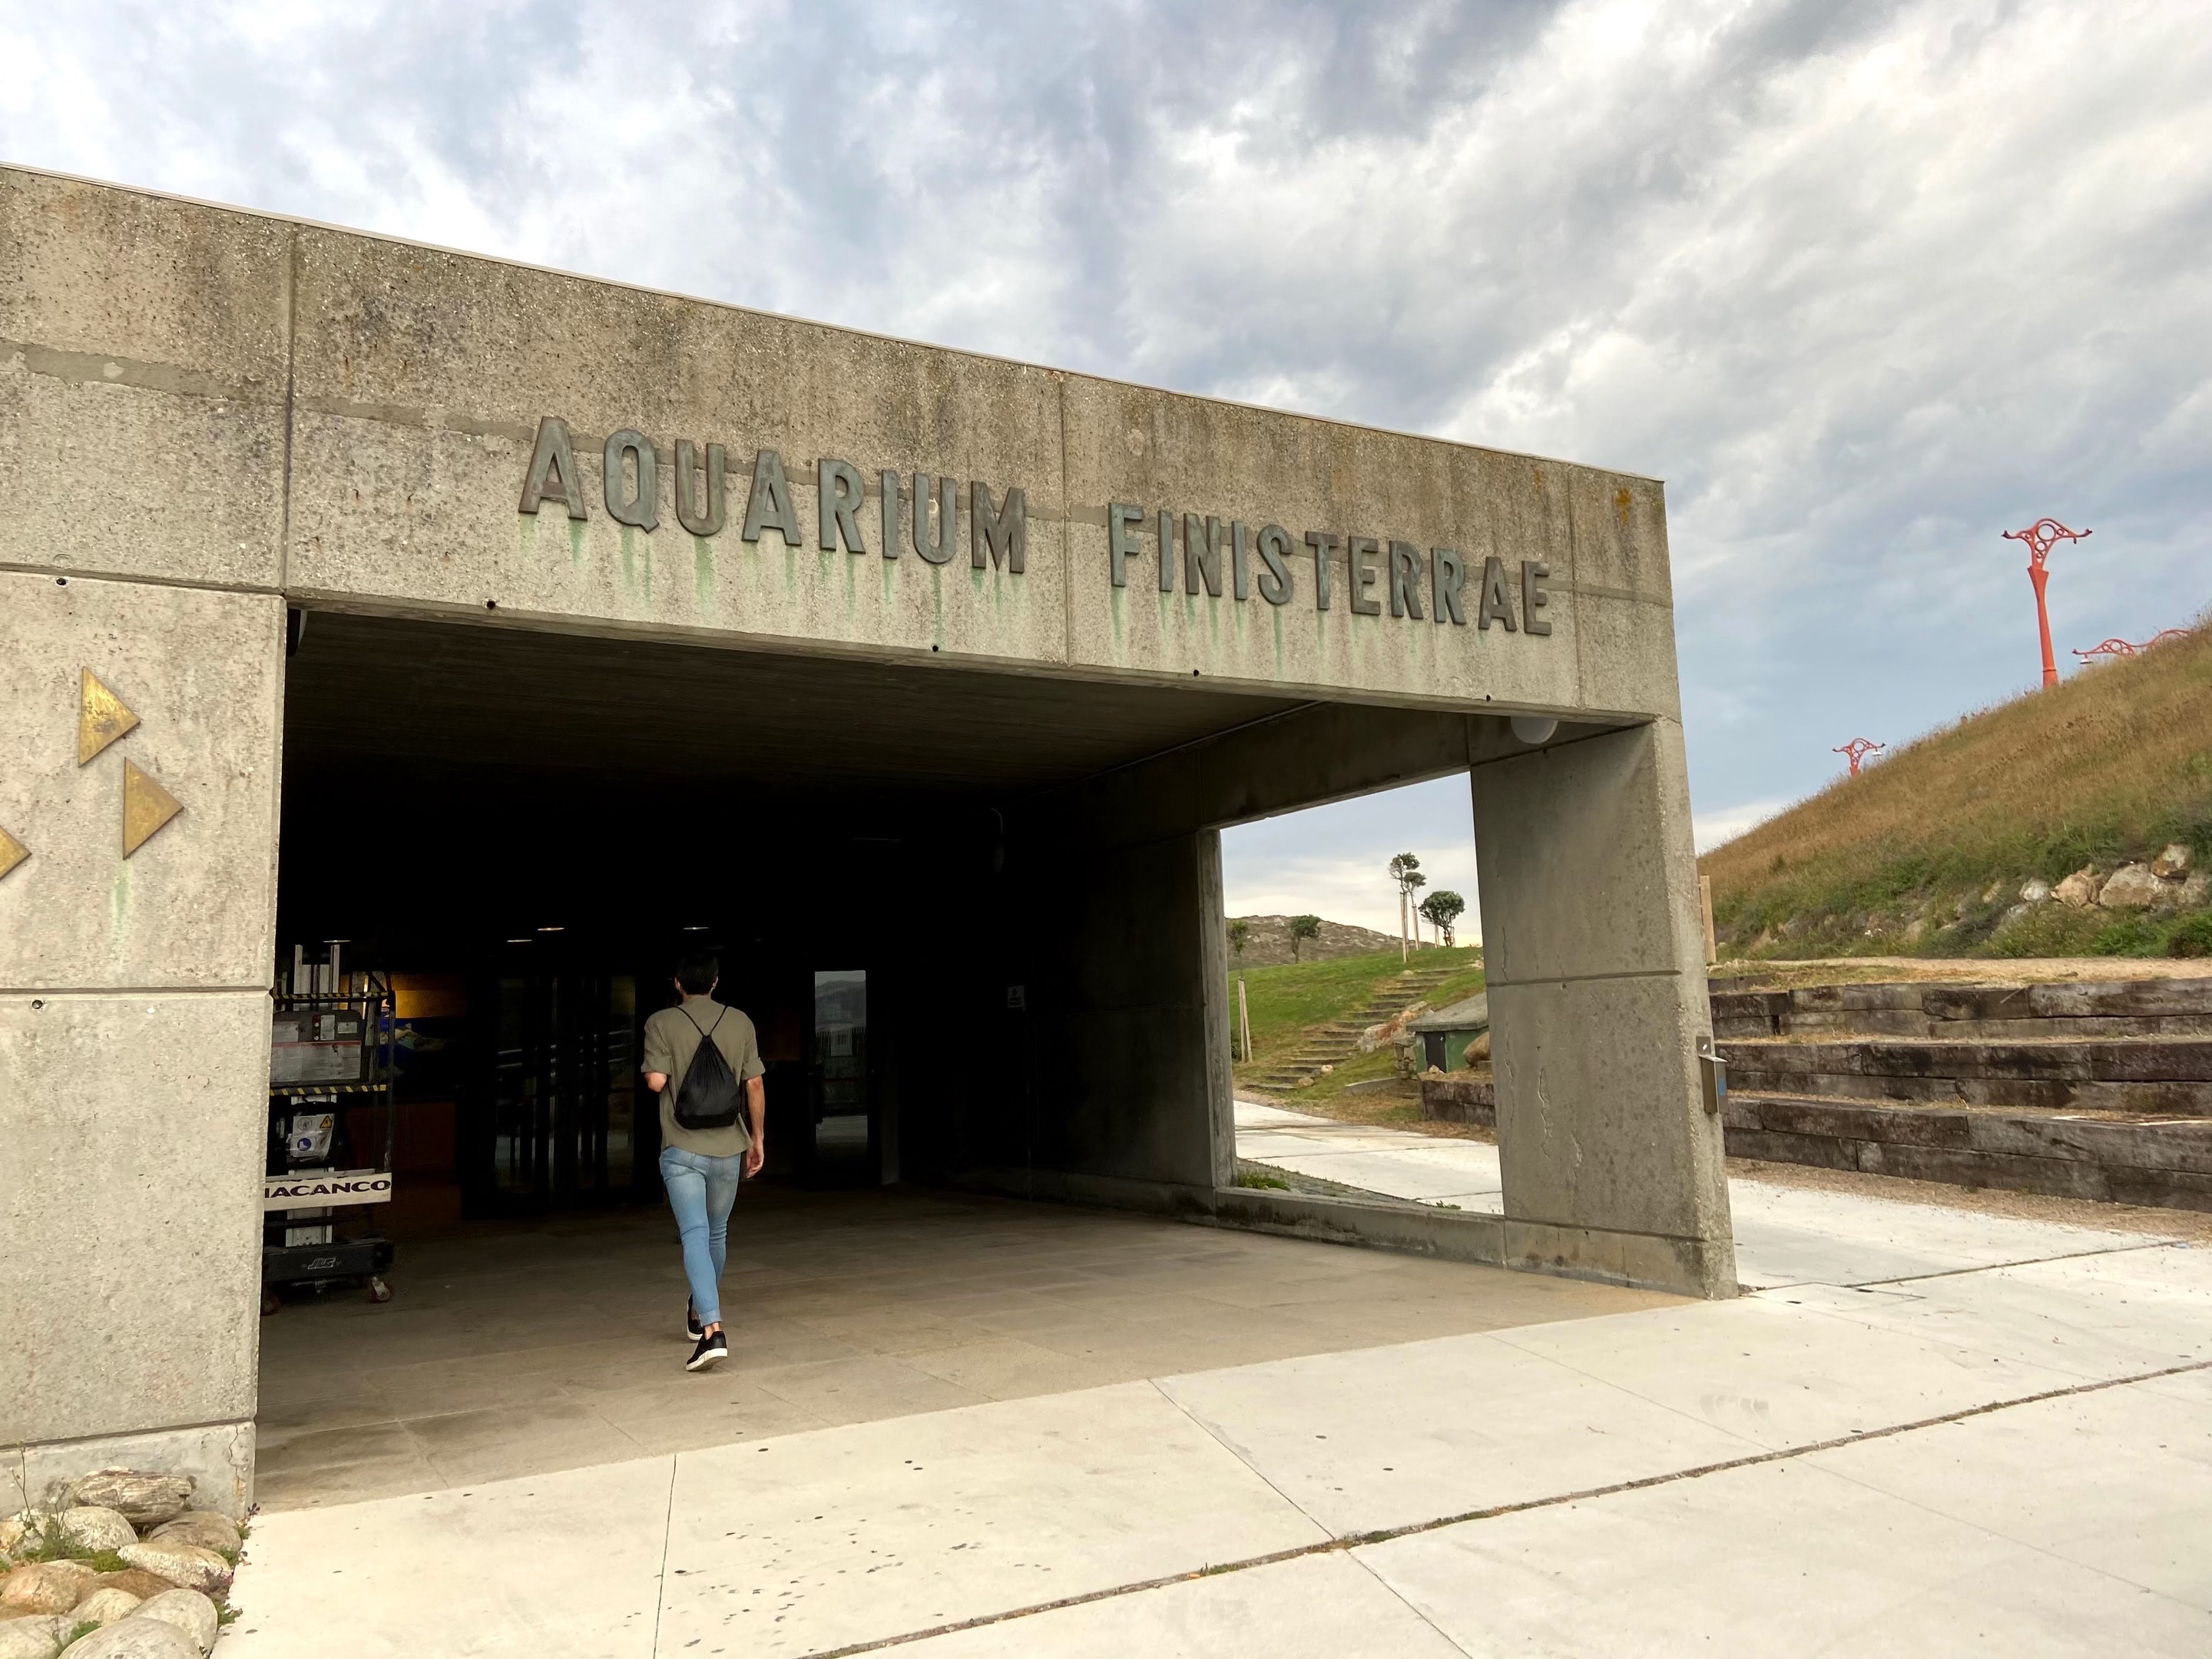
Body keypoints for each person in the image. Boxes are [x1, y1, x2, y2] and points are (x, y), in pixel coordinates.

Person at [641, 952, 766, 1370]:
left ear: (677, 983)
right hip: (730, 1145)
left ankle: (713, 1330)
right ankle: (698, 1309)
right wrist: (758, 1137)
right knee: (716, 1234)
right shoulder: (741, 1021)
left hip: (682, 1149)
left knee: (694, 1234)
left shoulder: (661, 1022)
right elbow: (754, 1085)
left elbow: (656, 1081)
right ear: (715, 982)